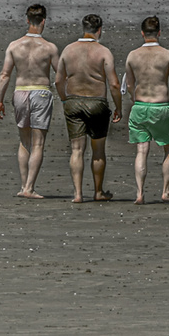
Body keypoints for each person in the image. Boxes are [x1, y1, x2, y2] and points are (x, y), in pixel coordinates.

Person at [0, 3, 60, 199]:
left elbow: (5, 74)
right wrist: (63, 94)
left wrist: (0, 100)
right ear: (44, 21)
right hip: (40, 92)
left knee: (24, 142)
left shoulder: (14, 46)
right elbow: (60, 75)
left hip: (20, 92)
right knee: (38, 144)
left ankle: (24, 186)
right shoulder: (49, 47)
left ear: (27, 20)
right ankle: (30, 188)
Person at [121, 15, 169, 204]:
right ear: (159, 33)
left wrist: (136, 101)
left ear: (142, 33)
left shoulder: (132, 55)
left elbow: (130, 84)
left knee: (141, 151)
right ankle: (166, 191)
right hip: (161, 106)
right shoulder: (168, 55)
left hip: (140, 106)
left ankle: (140, 193)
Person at [56, 13, 123, 203]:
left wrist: (64, 99)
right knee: (98, 150)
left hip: (73, 101)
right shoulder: (103, 52)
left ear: (83, 29)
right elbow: (114, 84)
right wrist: (118, 107)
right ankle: (98, 191)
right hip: (96, 102)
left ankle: (77, 194)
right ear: (99, 30)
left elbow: (58, 80)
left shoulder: (68, 51)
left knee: (76, 149)